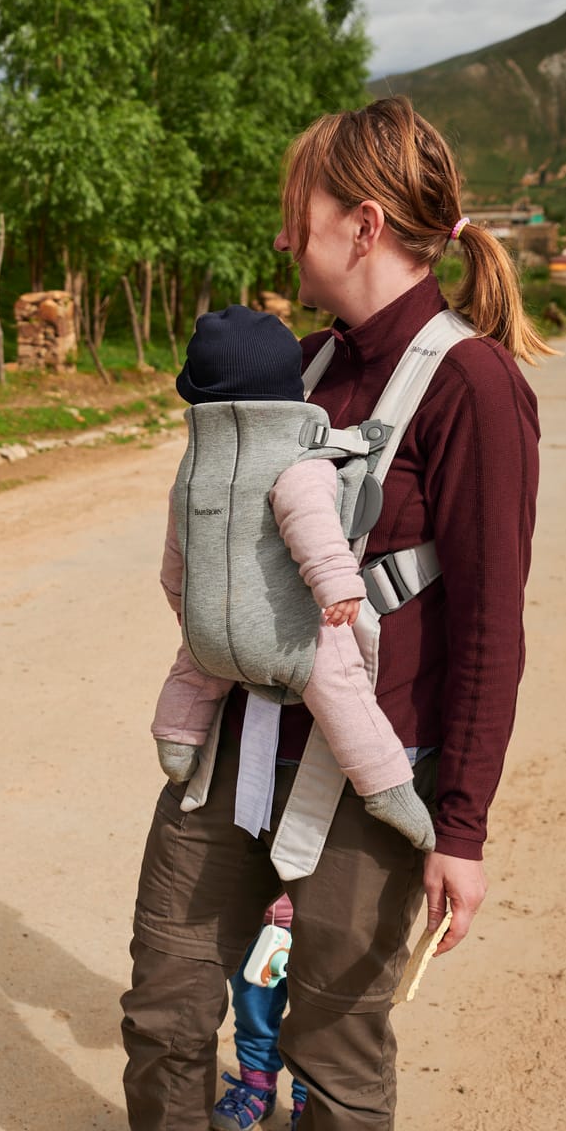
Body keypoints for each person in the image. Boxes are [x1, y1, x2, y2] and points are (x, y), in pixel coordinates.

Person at [44, 97, 544, 1131]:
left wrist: (457, 827)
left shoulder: (473, 389)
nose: (284, 239)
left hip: (375, 773)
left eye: (297, 216)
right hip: (235, 743)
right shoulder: (301, 365)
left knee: (333, 1035)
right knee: (167, 978)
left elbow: (487, 630)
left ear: (360, 224)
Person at [150, 304, 436, 851]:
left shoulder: (192, 471)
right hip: (290, 639)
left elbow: (176, 557)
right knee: (343, 690)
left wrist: (189, 609)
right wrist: (341, 588)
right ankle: (386, 787)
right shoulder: (300, 462)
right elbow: (314, 529)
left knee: (192, 672)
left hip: (210, 634)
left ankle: (176, 742)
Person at [208, 897, 308, 1131]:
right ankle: (257, 1084)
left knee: (317, 1025)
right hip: (255, 912)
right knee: (252, 1006)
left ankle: (310, 1106)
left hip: (325, 920)